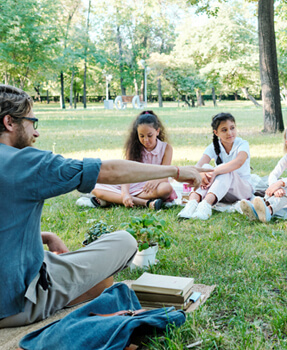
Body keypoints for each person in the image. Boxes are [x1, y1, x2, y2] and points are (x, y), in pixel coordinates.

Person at [0, 84, 206, 328]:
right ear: (10, 122)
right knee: (125, 242)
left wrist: (45, 235)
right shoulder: (24, 162)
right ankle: (63, 300)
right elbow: (108, 170)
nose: (36, 133)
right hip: (15, 301)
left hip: (20, 266)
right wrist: (178, 171)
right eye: (33, 122)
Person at [89, 111, 175, 210]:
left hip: (150, 187)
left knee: (166, 189)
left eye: (149, 135)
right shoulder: (134, 148)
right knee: (95, 188)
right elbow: (126, 173)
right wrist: (125, 193)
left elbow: (166, 174)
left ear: (157, 131)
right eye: (141, 136)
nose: (146, 140)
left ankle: (112, 200)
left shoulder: (166, 148)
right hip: (132, 184)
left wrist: (155, 180)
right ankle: (145, 203)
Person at [177, 112, 253, 220]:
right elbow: (199, 165)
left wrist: (215, 171)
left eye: (232, 128)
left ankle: (206, 205)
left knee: (223, 169)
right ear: (216, 133)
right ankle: (192, 204)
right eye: (224, 130)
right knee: (206, 167)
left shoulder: (242, 144)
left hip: (242, 190)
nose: (229, 132)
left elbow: (238, 162)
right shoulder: (213, 146)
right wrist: (202, 174)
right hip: (222, 191)